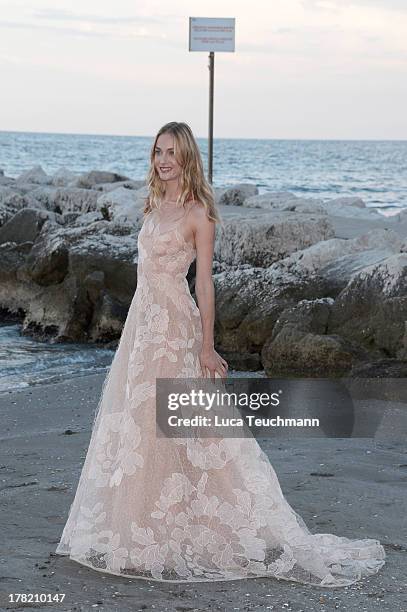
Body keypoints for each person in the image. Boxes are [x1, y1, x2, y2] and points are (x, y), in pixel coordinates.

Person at [55, 122, 386, 587]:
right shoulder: (153, 206)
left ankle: (201, 525)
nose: (163, 159)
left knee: (184, 426)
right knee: (138, 424)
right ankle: (142, 530)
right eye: (157, 152)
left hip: (176, 328)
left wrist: (207, 345)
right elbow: (144, 275)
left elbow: (204, 283)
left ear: (187, 157)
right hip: (142, 328)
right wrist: (136, 329)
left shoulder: (199, 214)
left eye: (171, 152)